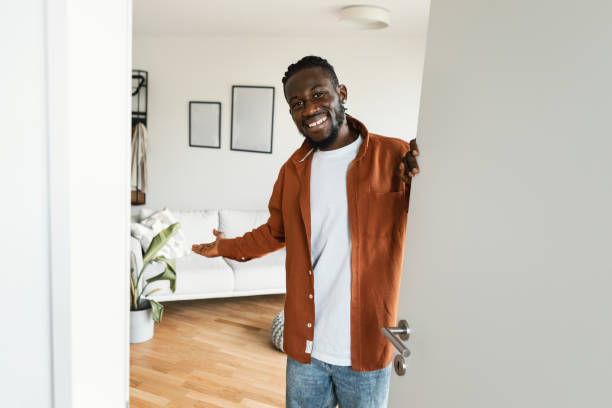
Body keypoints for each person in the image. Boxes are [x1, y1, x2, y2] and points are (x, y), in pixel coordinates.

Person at [192, 56, 420, 407]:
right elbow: (274, 232)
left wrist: (430, 172)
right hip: (306, 350)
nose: (309, 109)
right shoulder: (293, 171)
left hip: (368, 346)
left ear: (341, 93)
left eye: (318, 95)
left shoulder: (394, 156)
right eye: (297, 104)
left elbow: (429, 216)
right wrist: (224, 247)